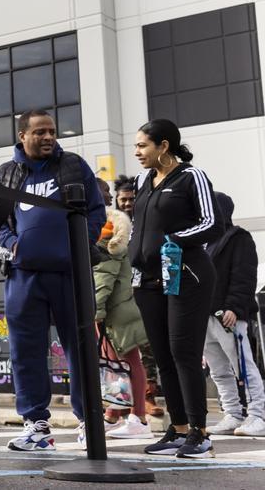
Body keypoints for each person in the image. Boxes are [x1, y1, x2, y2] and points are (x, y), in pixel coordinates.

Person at [0, 110, 105, 450]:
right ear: (22, 136)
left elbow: (96, 212)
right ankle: (36, 427)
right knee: (26, 352)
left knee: (80, 349)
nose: (48, 137)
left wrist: (77, 245)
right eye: (39, 132)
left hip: (69, 274)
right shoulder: (6, 173)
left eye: (52, 131)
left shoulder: (73, 166)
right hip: (23, 276)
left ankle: (90, 423)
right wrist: (13, 245)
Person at [129, 119, 221, 458]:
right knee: (164, 357)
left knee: (184, 353)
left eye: (142, 145)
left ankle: (200, 431)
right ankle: (179, 429)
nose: (137, 152)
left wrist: (172, 240)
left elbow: (212, 223)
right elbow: (139, 226)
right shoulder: (142, 180)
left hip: (187, 275)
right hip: (148, 281)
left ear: (163, 146)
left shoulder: (191, 176)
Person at [92, 178, 152, 439]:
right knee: (115, 364)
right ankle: (115, 414)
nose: (108, 196)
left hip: (113, 308)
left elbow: (104, 276)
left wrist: (94, 311)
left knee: (127, 362)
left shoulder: (110, 227)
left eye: (106, 191)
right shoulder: (110, 224)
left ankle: (138, 418)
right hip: (118, 306)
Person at [203, 192, 265, 437]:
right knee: (218, 369)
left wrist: (235, 307)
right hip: (205, 315)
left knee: (243, 366)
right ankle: (232, 413)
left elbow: (244, 276)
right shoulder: (204, 241)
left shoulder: (238, 238)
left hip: (227, 314)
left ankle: (258, 415)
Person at [115, 174, 166, 419]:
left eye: (131, 199)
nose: (126, 204)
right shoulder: (112, 223)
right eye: (122, 199)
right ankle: (119, 402)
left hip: (145, 289)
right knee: (119, 350)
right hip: (120, 293)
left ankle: (147, 396)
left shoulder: (147, 220)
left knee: (147, 347)